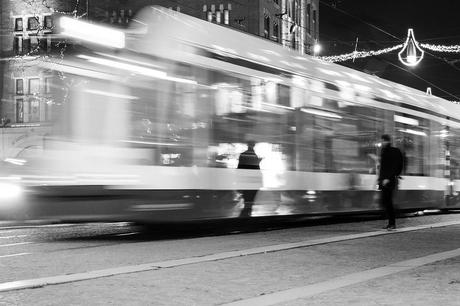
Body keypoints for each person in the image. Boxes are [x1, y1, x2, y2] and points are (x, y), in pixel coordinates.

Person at [378, 134, 403, 230]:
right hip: (385, 179)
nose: (382, 143)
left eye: (383, 141)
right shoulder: (385, 151)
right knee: (386, 201)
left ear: (387, 141)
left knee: (388, 202)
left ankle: (392, 223)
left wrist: (387, 179)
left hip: (389, 180)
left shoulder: (391, 152)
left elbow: (392, 167)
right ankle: (391, 222)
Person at [237, 141, 262, 217]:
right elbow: (256, 168)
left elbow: (239, 168)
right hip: (252, 180)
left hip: (246, 180)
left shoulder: (243, 155)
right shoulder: (253, 155)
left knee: (247, 197)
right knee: (250, 197)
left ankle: (246, 211)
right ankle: (247, 211)